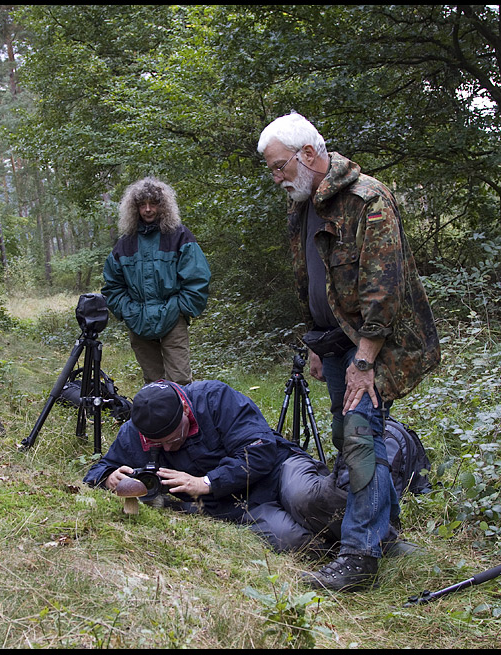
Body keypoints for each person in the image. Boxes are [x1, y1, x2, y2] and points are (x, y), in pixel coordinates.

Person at [258, 112, 440, 591]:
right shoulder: (304, 204)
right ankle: (386, 534)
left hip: (375, 345)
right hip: (335, 343)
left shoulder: (367, 199)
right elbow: (314, 283)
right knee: (350, 433)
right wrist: (316, 342)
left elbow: (384, 289)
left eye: (279, 167)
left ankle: (359, 556)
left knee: (360, 433)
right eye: (272, 169)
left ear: (310, 156)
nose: (276, 178)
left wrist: (364, 360)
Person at [84, 380, 348, 553]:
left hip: (279, 468)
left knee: (305, 498)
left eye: (172, 440)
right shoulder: (134, 432)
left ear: (186, 412)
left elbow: (260, 449)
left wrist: (207, 483)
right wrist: (108, 477)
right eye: (156, 444)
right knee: (289, 539)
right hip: (238, 504)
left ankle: (371, 537)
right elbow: (99, 469)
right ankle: (341, 552)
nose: (165, 449)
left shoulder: (214, 399)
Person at [102, 177, 211, 385]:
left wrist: (180, 307)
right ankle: (159, 418)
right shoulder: (125, 244)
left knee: (180, 381)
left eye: (153, 204)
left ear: (164, 206)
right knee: (153, 384)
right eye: (142, 204)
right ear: (134, 208)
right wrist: (127, 309)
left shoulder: (179, 236)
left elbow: (198, 277)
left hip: (172, 318)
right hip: (138, 320)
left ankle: (186, 417)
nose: (148, 209)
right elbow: (112, 285)